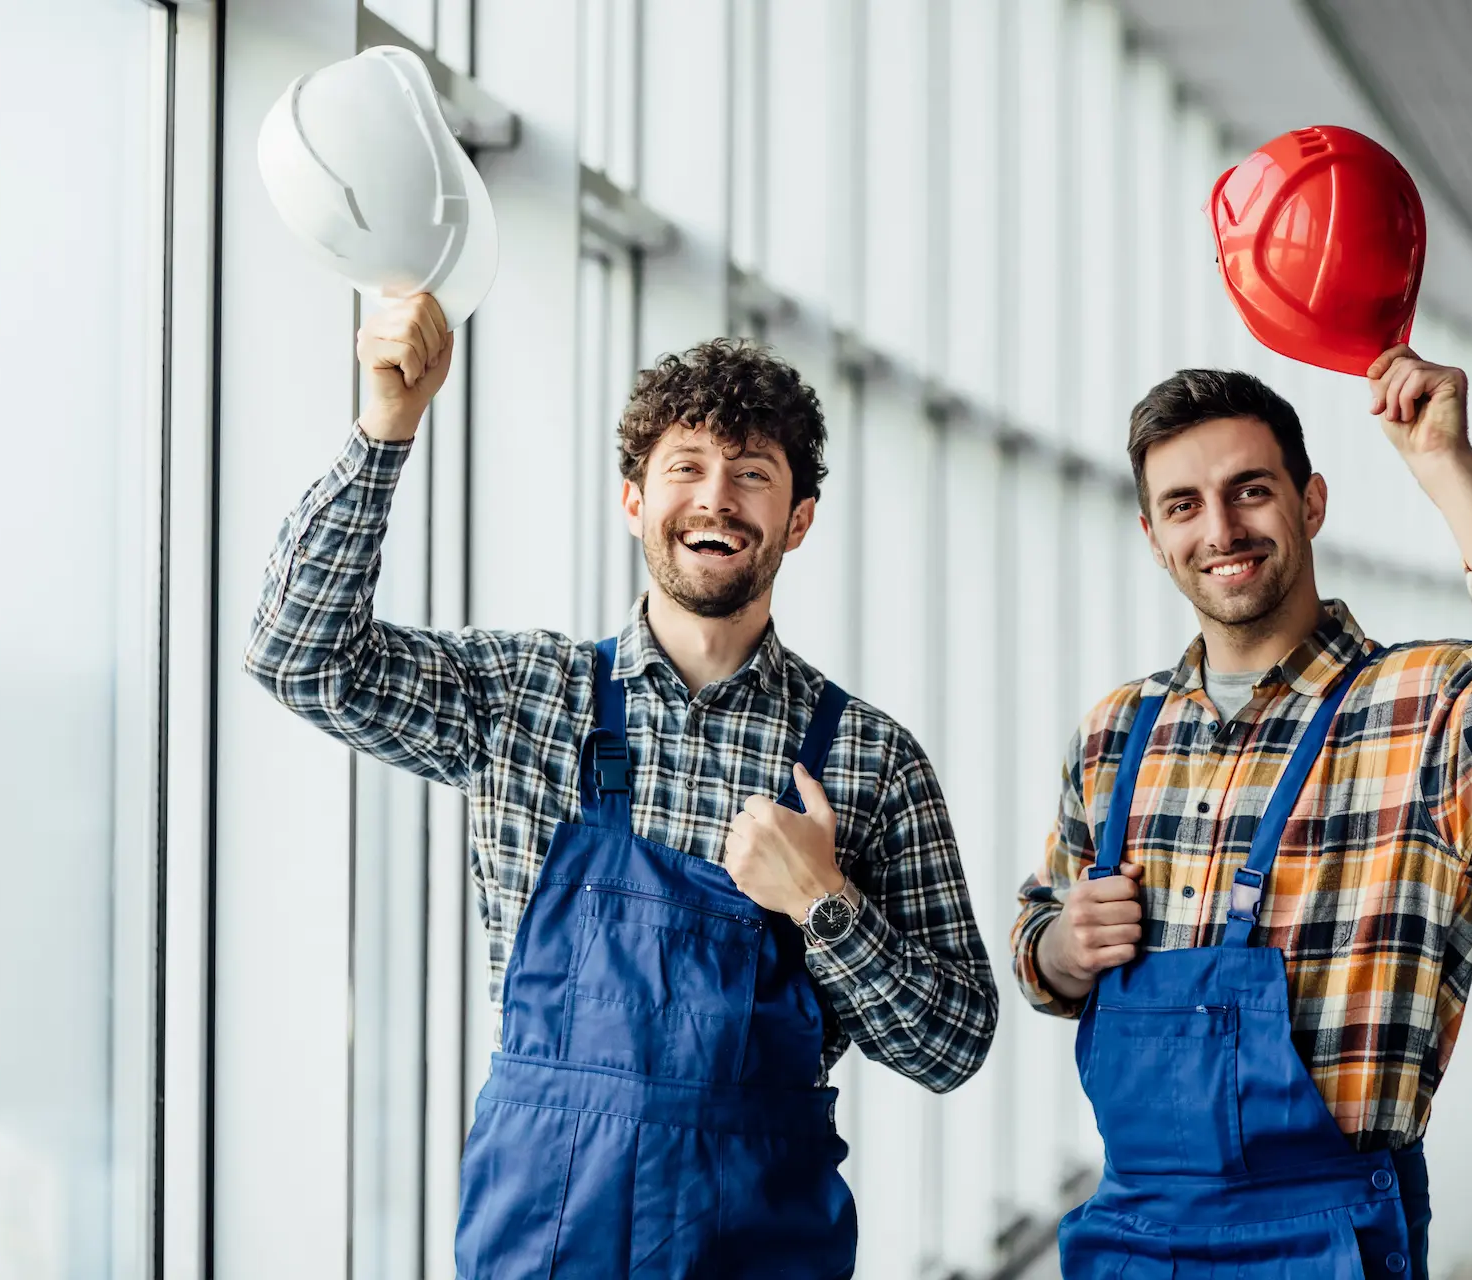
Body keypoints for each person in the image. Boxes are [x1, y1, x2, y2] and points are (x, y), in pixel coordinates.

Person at [245, 295, 998, 1279]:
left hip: (761, 1244)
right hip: (546, 1235)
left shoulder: (866, 757)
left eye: (753, 475)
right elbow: (300, 658)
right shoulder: (525, 698)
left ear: (798, 518)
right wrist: (388, 426)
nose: (717, 497)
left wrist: (824, 903)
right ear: (635, 499)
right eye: (686, 467)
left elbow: (953, 1042)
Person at [1011, 347, 1472, 1277]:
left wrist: (1443, 465)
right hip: (1132, 1235)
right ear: (1153, 535)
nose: (1220, 527)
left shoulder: (1421, 707)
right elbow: (1040, 936)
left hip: (1323, 1238)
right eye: (1184, 505)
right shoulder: (1117, 732)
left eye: (1250, 490)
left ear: (1311, 502)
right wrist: (1059, 950)